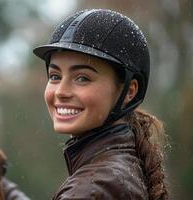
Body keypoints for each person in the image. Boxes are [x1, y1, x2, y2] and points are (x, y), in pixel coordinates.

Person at [33, 9, 169, 200]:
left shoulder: (92, 189)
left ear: (130, 90)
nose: (60, 92)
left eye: (82, 78)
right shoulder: (113, 178)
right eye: (55, 76)